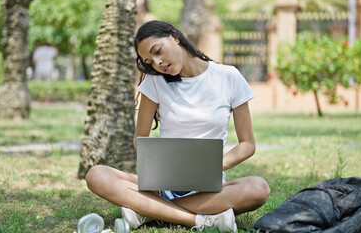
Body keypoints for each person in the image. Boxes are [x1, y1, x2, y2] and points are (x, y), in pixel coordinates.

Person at [85, 20, 270, 232]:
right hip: (163, 185)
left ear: (174, 37)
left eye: (158, 51)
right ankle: (199, 221)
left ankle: (147, 210)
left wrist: (213, 166)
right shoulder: (155, 82)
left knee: (258, 188)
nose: (157, 63)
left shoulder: (229, 77)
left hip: (207, 190)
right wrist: (158, 167)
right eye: (149, 61)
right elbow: (140, 138)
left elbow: (247, 144)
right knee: (97, 175)